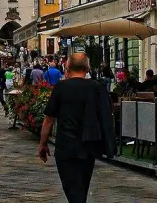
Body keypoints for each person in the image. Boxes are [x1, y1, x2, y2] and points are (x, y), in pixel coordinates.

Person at [38, 53, 115, 203]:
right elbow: (105, 115)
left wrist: (43, 143)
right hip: (88, 145)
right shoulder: (96, 87)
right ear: (87, 68)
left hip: (66, 145)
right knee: (81, 189)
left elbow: (49, 119)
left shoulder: (61, 87)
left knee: (73, 190)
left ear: (67, 67)